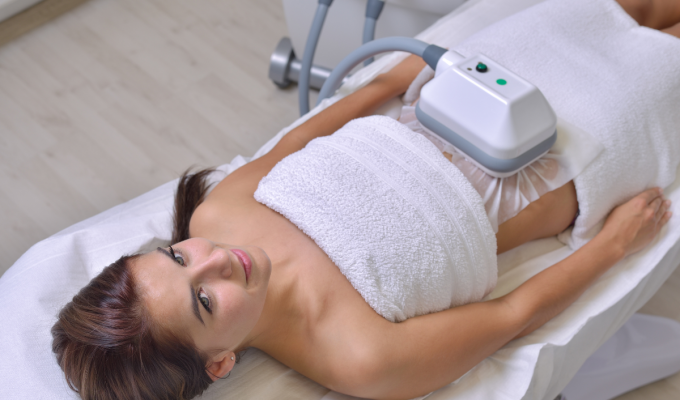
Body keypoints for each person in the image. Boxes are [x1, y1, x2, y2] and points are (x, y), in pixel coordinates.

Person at [51, 0, 680, 399]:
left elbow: (298, 141)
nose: (217, 259)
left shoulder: (218, 214)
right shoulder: (359, 357)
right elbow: (511, 314)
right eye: (205, 301)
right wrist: (614, 244)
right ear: (219, 364)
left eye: (177, 256)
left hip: (461, 94)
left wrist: (388, 82)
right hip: (551, 167)